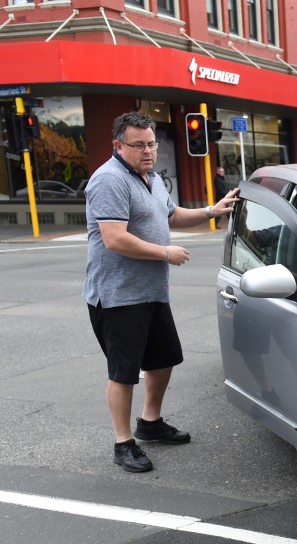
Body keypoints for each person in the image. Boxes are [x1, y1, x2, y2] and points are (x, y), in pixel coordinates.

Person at [84, 111, 239, 473]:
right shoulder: (109, 180)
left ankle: (150, 424)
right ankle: (123, 443)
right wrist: (166, 253)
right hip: (118, 296)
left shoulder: (150, 178)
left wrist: (210, 211)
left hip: (151, 292)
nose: (148, 151)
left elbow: (170, 216)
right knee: (124, 372)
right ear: (118, 145)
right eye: (139, 145)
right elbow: (114, 238)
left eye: (151, 143)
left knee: (163, 359)